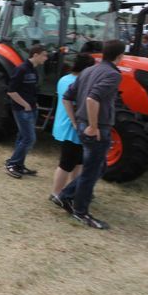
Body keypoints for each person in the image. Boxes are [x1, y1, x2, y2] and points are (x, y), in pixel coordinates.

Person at [57, 40, 126, 229]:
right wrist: (94, 126)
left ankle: (66, 195)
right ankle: (80, 211)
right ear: (120, 56)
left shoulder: (87, 71)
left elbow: (67, 97)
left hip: (82, 125)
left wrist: (75, 121)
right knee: (92, 171)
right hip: (96, 129)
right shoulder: (113, 74)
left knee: (98, 167)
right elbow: (92, 98)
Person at [49, 53, 95, 207]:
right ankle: (56, 193)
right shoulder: (80, 82)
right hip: (72, 127)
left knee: (78, 162)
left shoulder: (64, 79)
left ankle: (73, 190)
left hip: (65, 124)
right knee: (67, 163)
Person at [5, 44, 49, 178]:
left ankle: (19, 165)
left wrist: (33, 103)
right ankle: (12, 164)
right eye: (44, 55)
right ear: (35, 55)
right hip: (22, 110)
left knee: (23, 137)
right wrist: (25, 104)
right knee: (29, 138)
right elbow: (11, 91)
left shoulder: (34, 70)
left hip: (31, 109)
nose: (46, 58)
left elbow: (30, 89)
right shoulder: (21, 69)